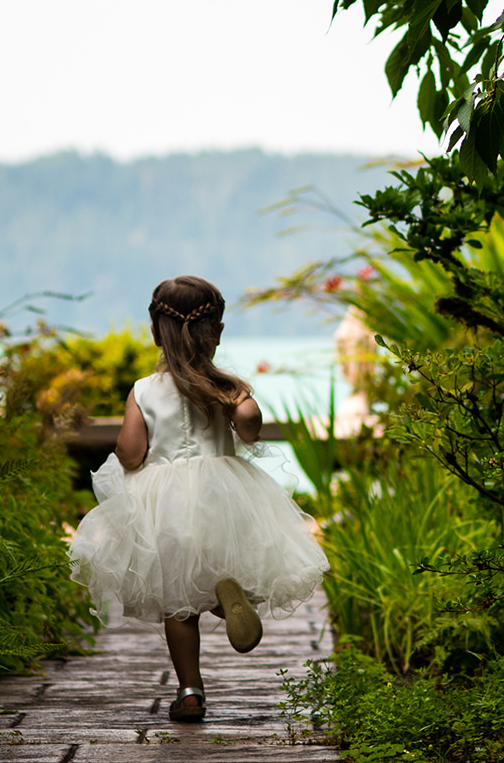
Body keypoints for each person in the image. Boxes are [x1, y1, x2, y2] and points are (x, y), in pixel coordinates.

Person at [68, 276, 328, 723]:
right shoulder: (226, 387)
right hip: (223, 497)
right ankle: (227, 599)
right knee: (214, 571)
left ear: (154, 332)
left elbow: (130, 456)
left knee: (177, 601)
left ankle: (190, 691)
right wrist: (240, 401)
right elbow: (249, 427)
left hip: (165, 507)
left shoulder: (144, 390)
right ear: (218, 332)